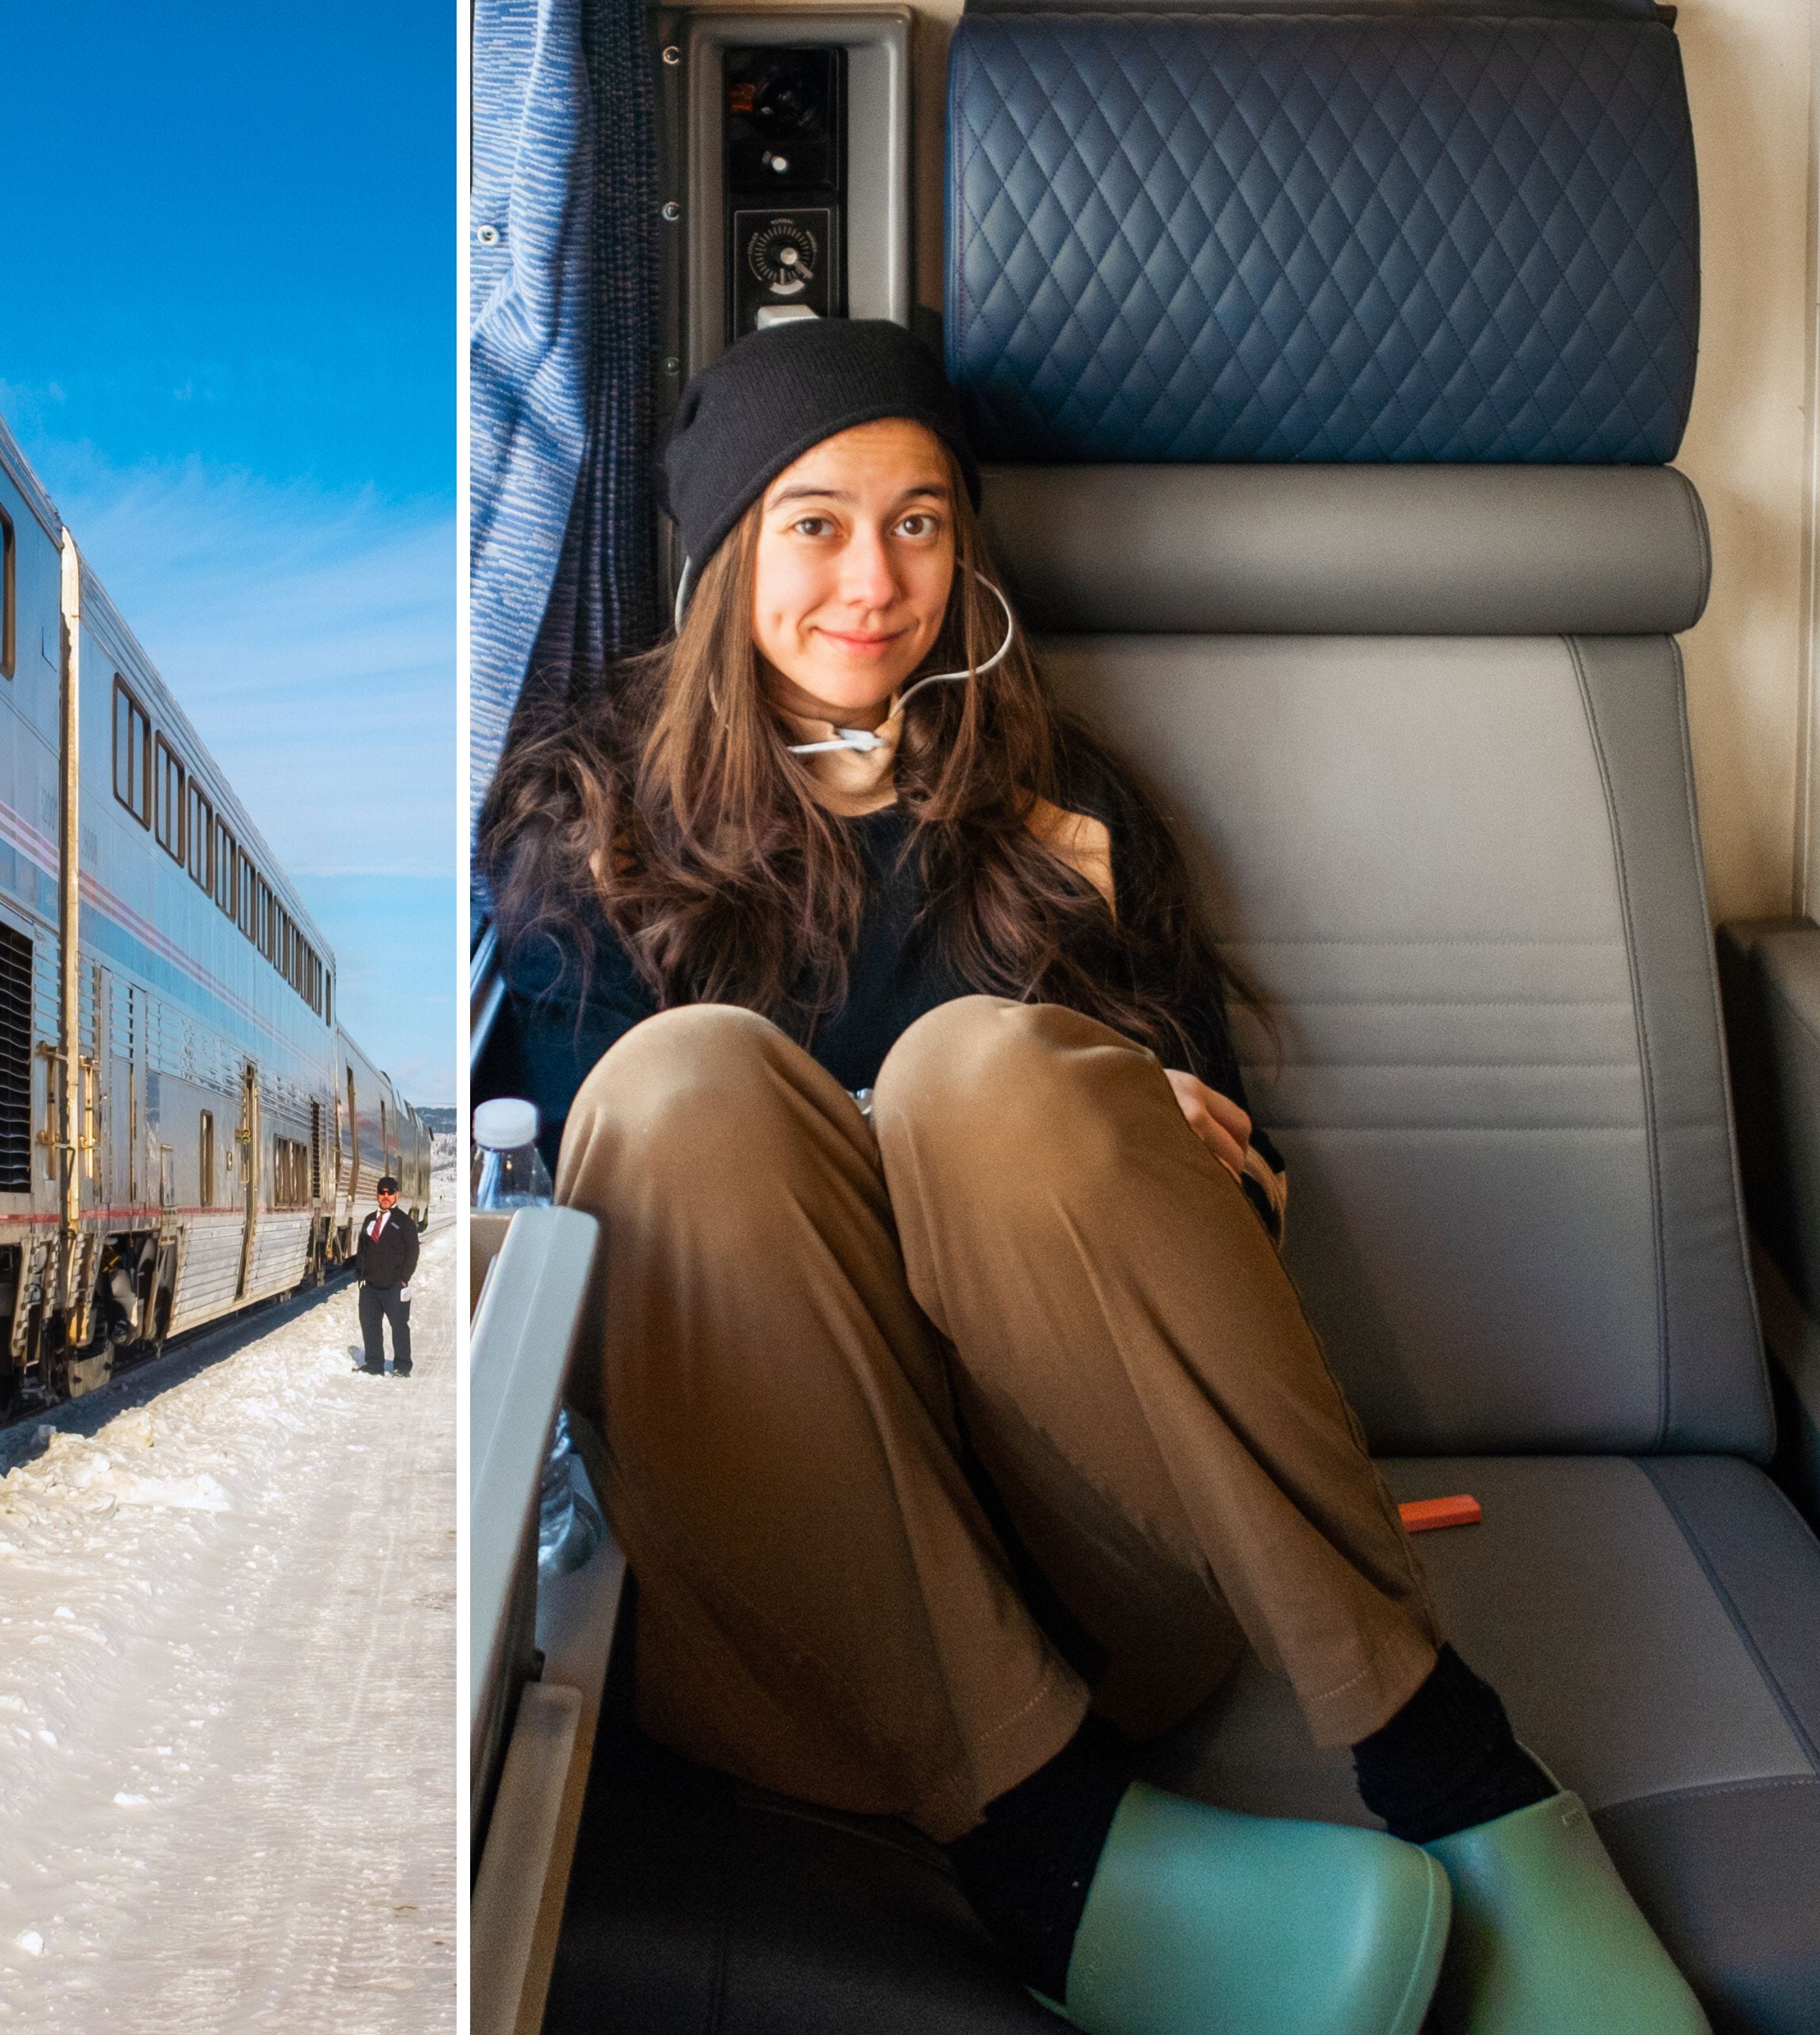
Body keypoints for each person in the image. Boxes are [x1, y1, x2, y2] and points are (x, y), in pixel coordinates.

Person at [479, 317, 1705, 2035]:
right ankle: (1045, 1854)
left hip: (1106, 1561)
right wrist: (871, 1121)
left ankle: (1455, 1772)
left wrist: (1135, 1128)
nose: (874, 576)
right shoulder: (589, 827)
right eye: (814, 520)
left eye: (919, 520)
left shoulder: (1069, 809)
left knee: (987, 1068)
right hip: (787, 1593)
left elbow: (1240, 1196)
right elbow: (578, 1250)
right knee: (681, 1090)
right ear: (726, 553)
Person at [354, 1174, 420, 1377]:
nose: (386, 1196)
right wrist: (361, 1275)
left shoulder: (405, 1222)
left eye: (390, 1192)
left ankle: (403, 1366)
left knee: (399, 1326)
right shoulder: (369, 1220)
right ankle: (374, 1364)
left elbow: (413, 1252)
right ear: (377, 1195)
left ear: (396, 1195)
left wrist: (403, 1279)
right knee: (370, 1325)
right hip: (370, 1286)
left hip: (394, 1286)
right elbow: (362, 1249)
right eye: (382, 1192)